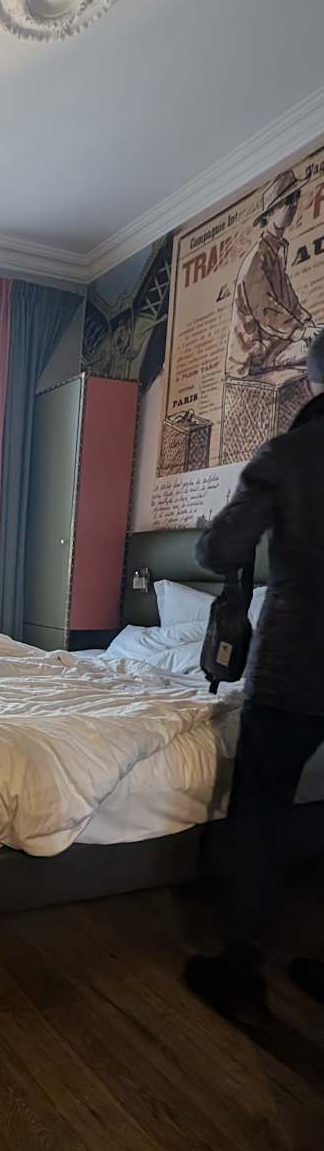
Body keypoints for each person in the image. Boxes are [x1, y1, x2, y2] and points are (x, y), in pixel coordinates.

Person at [185, 328, 324, 1018]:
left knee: (259, 814)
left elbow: (220, 551)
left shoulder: (290, 454)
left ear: (313, 378)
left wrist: (209, 533)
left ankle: (243, 973)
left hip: (297, 665)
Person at [225, 168, 319, 380]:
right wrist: (302, 332)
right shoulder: (257, 258)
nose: (294, 205)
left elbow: (290, 302)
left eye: (296, 197)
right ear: (269, 213)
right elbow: (266, 310)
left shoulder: (276, 251)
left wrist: (309, 324)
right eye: (287, 200)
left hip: (278, 345)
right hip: (256, 358)